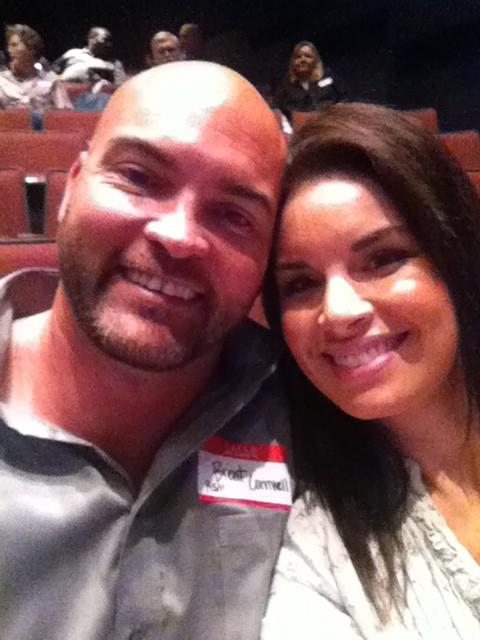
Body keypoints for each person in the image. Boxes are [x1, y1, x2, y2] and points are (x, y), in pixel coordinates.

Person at [0, 61, 289, 639]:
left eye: (233, 215)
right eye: (139, 177)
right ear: (72, 185)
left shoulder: (314, 414)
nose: (179, 237)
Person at [262, 103, 480, 638]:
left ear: (455, 255)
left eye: (383, 259)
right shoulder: (315, 552)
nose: (338, 311)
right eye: (300, 284)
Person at [0, 24, 72, 111]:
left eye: (14, 45)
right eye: (9, 46)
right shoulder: (2, 81)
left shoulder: (51, 80)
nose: (9, 50)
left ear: (32, 49)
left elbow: (66, 114)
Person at [275, 40, 345, 121]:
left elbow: (344, 98)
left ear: (316, 60)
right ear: (293, 62)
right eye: (298, 57)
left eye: (308, 56)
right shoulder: (285, 84)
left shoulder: (329, 78)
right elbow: (280, 110)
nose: (303, 60)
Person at [54, 26, 126, 86]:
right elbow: (52, 74)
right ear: (92, 39)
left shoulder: (114, 64)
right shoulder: (72, 54)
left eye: (110, 41)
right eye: (105, 39)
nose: (109, 44)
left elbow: (120, 87)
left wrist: (105, 84)